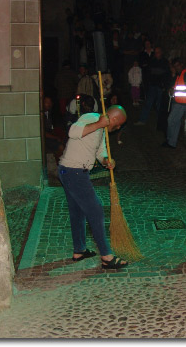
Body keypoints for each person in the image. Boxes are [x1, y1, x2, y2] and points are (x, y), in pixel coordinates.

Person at [58, 105, 128, 269]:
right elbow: (72, 132)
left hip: (69, 171)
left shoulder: (102, 130)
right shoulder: (91, 118)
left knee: (77, 212)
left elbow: (100, 152)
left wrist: (106, 161)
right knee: (95, 211)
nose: (117, 128)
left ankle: (79, 250)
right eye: (118, 125)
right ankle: (106, 256)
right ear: (115, 119)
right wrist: (99, 123)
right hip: (74, 173)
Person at [162, 58, 186, 148]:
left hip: (183, 103)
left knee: (171, 120)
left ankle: (170, 141)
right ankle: (171, 142)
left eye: (177, 65)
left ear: (182, 65)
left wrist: (174, 91)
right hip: (178, 101)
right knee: (175, 122)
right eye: (175, 66)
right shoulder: (179, 75)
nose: (176, 68)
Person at [134, 46, 171, 125]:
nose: (156, 54)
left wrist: (165, 85)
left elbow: (166, 74)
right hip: (153, 85)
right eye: (155, 52)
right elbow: (149, 72)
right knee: (148, 103)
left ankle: (160, 122)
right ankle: (142, 120)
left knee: (159, 105)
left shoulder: (165, 62)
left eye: (158, 52)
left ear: (161, 53)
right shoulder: (152, 61)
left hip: (160, 86)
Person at [43, 96, 65, 164]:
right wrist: (56, 137)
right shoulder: (41, 115)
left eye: (50, 102)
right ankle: (59, 165)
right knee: (61, 147)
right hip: (44, 139)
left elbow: (52, 128)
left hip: (50, 137)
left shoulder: (50, 114)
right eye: (46, 102)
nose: (49, 104)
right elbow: (44, 133)